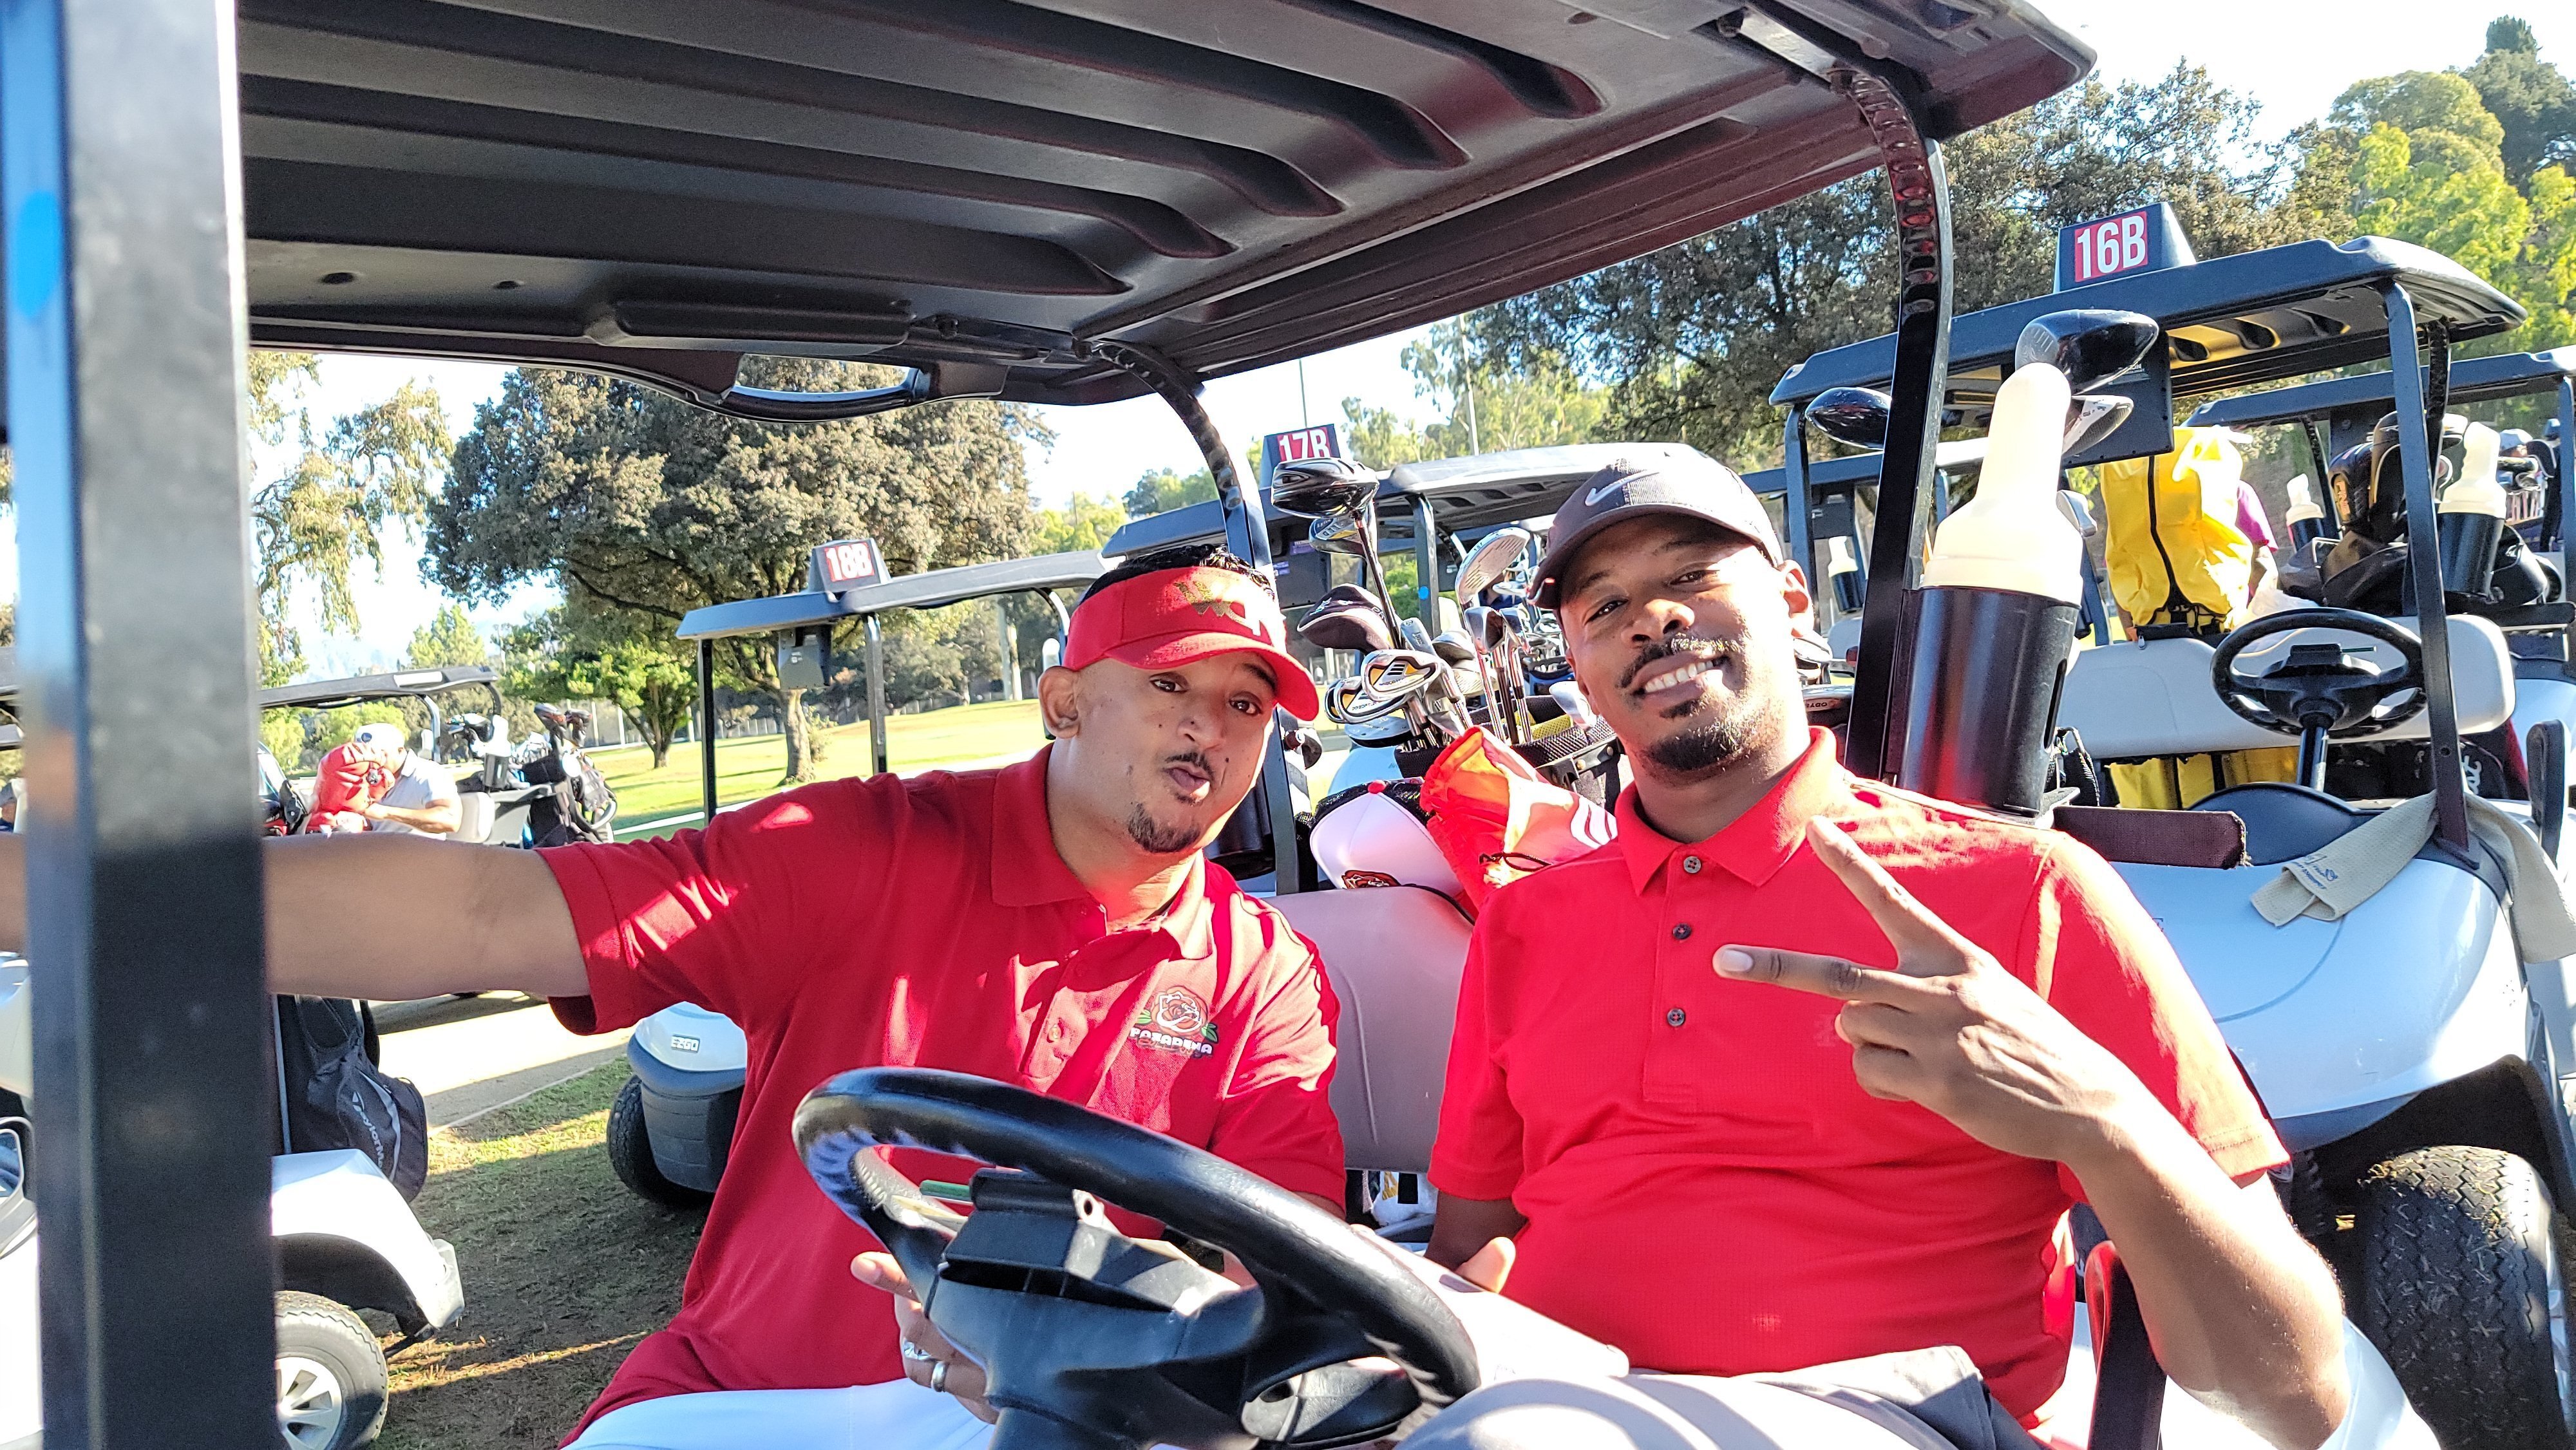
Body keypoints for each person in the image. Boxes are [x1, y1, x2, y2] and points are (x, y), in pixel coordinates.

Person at [0, 542, 1343, 1450]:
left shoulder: (1261, 976)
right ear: (1062, 701)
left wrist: (1091, 1356)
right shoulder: (865, 851)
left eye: (1247, 705)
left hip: (1049, 1416)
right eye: (1168, 684)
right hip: (751, 1395)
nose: (1209, 729)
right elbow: (486, 912)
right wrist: (49, 891)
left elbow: (1278, 1291)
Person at [1412, 457, 2349, 1450]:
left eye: (1690, 576)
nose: (1653, 619)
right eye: (1606, 607)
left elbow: (2296, 1397)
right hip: (1558, 1401)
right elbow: (1468, 1258)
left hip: (1903, 1419)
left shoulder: (2027, 892)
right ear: (1578, 665)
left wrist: (2100, 1121)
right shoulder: (1524, 926)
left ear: (1793, 602)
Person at [346, 722, 462, 837]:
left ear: (400, 750)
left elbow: (450, 819)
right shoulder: (363, 779)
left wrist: (387, 813)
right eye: (363, 757)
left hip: (418, 849)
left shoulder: (428, 773)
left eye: (380, 755)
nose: (372, 763)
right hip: (376, 848)